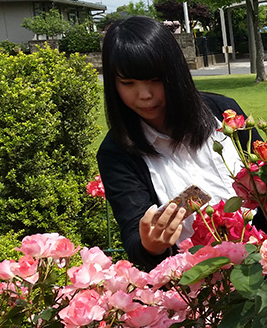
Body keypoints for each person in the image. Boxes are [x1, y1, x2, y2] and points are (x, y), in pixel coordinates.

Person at [97, 16, 258, 270]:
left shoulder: (223, 112)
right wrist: (150, 246)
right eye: (128, 83)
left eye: (154, 80)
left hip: (264, 269)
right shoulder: (117, 152)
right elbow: (134, 238)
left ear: (174, 72)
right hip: (199, 289)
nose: (144, 95)